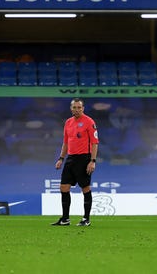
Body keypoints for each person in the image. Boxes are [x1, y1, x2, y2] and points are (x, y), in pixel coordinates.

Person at [52, 97, 99, 227]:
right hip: (70, 158)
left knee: (85, 188)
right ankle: (65, 219)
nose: (77, 110)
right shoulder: (68, 122)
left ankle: (86, 219)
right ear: (71, 108)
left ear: (83, 108)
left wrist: (92, 161)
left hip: (84, 158)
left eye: (79, 107)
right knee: (64, 187)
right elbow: (66, 142)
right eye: (74, 107)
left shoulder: (89, 122)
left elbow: (95, 143)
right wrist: (61, 158)